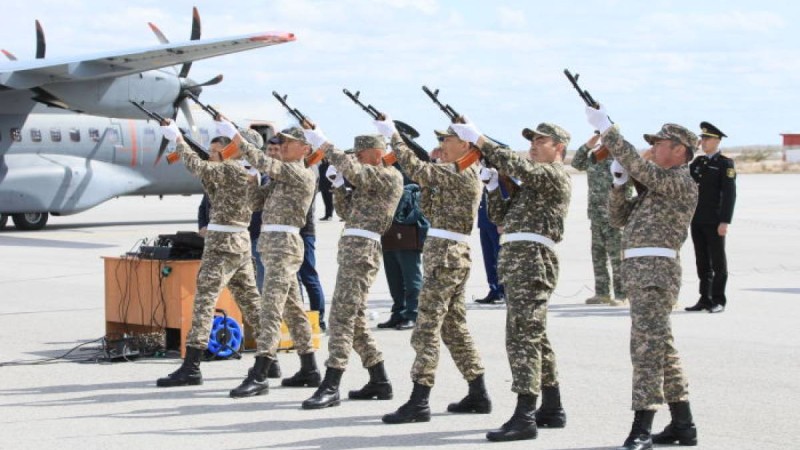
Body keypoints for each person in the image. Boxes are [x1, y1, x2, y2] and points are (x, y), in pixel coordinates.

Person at [586, 105, 700, 450]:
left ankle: (641, 426)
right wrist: (620, 186)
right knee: (660, 348)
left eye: (660, 143)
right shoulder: (654, 189)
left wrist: (609, 130)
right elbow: (618, 218)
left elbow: (640, 165)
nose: (653, 148)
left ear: (679, 150)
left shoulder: (679, 181)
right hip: (639, 273)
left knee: (645, 349)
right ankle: (683, 424)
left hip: (656, 274)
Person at [452, 121, 572, 442]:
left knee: (521, 337)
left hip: (533, 260)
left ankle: (525, 414)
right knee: (534, 335)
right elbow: (502, 218)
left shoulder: (554, 175)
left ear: (559, 147)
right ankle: (552, 406)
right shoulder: (534, 184)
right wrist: (493, 188)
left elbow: (518, 164)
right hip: (519, 260)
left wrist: (480, 139)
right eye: (531, 140)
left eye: (541, 140)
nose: (533, 145)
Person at [374, 118, 489, 425]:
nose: (441, 145)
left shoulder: (462, 171)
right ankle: (478, 392)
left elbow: (420, 170)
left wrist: (396, 138)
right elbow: (427, 186)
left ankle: (419, 400)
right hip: (446, 253)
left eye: (447, 139)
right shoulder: (454, 172)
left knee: (426, 327)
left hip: (448, 256)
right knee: (453, 327)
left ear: (465, 144)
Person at [298, 132, 404, 409]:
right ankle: (379, 379)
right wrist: (338, 185)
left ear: (377, 153)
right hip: (352, 246)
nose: (356, 156)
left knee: (340, 317)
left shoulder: (388, 175)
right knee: (354, 319)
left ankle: (332, 383)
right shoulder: (367, 177)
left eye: (361, 152)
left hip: (364, 248)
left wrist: (326, 145)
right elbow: (346, 211)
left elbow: (359, 173)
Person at [155, 123, 265, 390]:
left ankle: (191, 366)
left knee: (204, 300)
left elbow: (200, 168)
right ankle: (269, 357)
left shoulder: (230, 168)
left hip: (221, 243)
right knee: (251, 301)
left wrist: (179, 140)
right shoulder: (252, 173)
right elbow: (210, 181)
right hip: (239, 241)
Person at [226, 124, 322, 398]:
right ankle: (309, 368)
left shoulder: (300, 173)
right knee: (293, 309)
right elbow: (257, 203)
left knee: (270, 307)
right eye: (283, 142)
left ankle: (260, 372)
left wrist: (240, 142)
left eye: (290, 143)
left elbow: (265, 162)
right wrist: (252, 179)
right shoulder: (282, 176)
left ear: (305, 149)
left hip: (285, 247)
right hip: (273, 246)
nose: (283, 146)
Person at [571, 133, 629, 306]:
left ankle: (622, 294)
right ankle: (602, 293)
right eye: (603, 138)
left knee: (617, 257)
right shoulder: (594, 158)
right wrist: (589, 145)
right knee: (598, 256)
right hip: (596, 215)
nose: (604, 142)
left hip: (615, 217)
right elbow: (576, 163)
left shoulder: (623, 161)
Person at [685, 121, 736, 314]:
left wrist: (725, 221)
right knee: (702, 261)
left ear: (717, 140)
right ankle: (704, 298)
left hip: (715, 220)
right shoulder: (698, 163)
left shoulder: (725, 164)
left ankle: (718, 299)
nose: (703, 141)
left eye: (707, 138)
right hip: (697, 219)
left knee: (718, 261)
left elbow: (729, 194)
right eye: (702, 138)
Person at [378, 175, 426, 330]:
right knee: (394, 277)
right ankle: (398, 312)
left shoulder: (408, 166)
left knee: (411, 278)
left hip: (407, 231)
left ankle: (413, 313)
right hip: (389, 231)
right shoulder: (386, 166)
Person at [475, 180, 505, 304]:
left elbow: (507, 198)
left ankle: (502, 291)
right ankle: (494, 290)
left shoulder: (504, 173)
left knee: (500, 257)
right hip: (484, 221)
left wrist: (502, 221)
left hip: (497, 223)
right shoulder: (486, 170)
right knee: (488, 258)